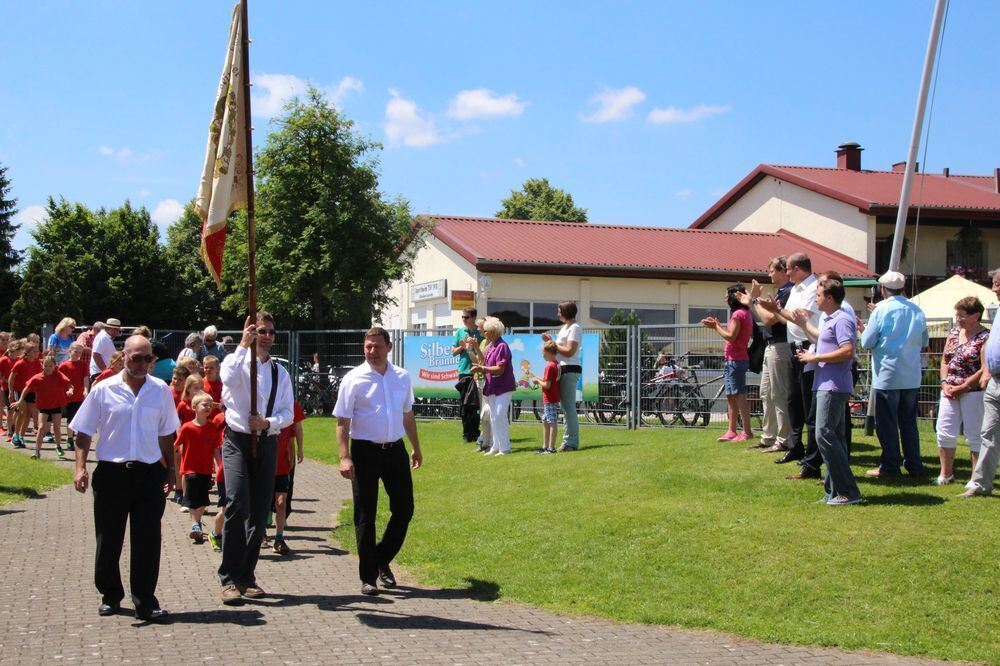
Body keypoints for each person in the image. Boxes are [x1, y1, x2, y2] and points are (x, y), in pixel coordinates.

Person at [70, 334, 179, 622]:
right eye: (137, 358)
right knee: (109, 538)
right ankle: (110, 594)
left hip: (148, 473)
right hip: (112, 473)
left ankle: (145, 600)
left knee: (147, 539)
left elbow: (167, 434)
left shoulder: (161, 391)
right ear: (123, 356)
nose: (143, 363)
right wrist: (80, 468)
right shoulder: (103, 390)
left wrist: (171, 471)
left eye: (148, 358)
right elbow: (82, 432)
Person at [334, 327, 422, 596]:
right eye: (368, 347)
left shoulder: (402, 377)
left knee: (404, 509)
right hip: (364, 452)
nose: (372, 351)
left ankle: (381, 557)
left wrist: (416, 448)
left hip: (395, 449)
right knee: (365, 514)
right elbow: (342, 420)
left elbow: (407, 414)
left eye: (377, 346)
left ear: (389, 347)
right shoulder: (353, 379)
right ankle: (368, 577)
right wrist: (344, 456)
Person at [218, 312, 294, 605]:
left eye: (271, 332)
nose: (267, 336)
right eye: (261, 330)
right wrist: (241, 345)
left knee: (261, 510)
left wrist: (268, 423)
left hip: (267, 441)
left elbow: (288, 412)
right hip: (236, 440)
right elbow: (227, 380)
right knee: (238, 503)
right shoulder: (235, 362)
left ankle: (246, 575)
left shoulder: (280, 373)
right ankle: (228, 577)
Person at [791, 278, 863, 505]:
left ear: (830, 298)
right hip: (826, 385)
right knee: (833, 437)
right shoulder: (831, 318)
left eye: (819, 296)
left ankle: (848, 492)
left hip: (833, 387)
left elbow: (848, 351)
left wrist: (816, 357)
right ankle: (833, 491)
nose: (816, 299)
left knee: (824, 434)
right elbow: (825, 341)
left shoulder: (842, 319)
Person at [859, 270, 929, 478]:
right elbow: (924, 342)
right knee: (908, 422)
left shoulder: (880, 310)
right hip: (911, 374)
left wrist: (864, 328)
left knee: (887, 423)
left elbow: (867, 342)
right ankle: (914, 464)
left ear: (883, 289)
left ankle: (890, 464)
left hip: (887, 375)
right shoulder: (917, 310)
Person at [934, 297, 988, 486]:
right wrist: (944, 383)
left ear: (976, 316)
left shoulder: (985, 337)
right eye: (956, 315)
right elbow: (945, 360)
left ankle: (976, 477)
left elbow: (984, 367)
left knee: (974, 434)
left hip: (973, 392)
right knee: (944, 431)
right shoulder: (954, 333)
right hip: (949, 390)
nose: (958, 319)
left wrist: (964, 387)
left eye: (962, 315)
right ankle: (945, 474)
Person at [744, 257, 793, 453]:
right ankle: (768, 436)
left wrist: (753, 301)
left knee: (779, 394)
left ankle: (784, 439)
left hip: (780, 347)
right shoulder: (781, 292)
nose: (769, 274)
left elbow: (770, 320)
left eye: (772, 270)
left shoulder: (788, 292)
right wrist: (755, 302)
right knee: (766, 393)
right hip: (770, 347)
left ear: (782, 271)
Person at [962, 268, 1000, 498]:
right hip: (994, 382)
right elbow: (988, 346)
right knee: (988, 433)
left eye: (997, 284)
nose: (994, 289)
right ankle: (981, 484)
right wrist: (986, 370)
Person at [703, 284, 754, 442]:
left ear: (734, 296)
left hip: (736, 359)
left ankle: (746, 432)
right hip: (735, 359)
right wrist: (719, 326)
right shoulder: (744, 313)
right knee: (731, 395)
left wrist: (716, 327)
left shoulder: (739, 314)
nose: (725, 298)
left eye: (727, 295)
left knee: (739, 395)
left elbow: (731, 336)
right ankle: (732, 430)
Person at [173, 391, 220, 544]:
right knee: (193, 499)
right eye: (204, 405)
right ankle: (195, 524)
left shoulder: (212, 428)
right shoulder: (187, 427)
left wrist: (219, 466)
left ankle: (197, 522)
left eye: (210, 405)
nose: (208, 407)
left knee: (203, 500)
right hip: (190, 469)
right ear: (194, 407)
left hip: (206, 469)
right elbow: (177, 444)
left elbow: (215, 449)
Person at [11, 354, 74, 459]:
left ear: (55, 366)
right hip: (43, 407)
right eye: (46, 365)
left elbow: (69, 385)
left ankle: (58, 446)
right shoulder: (37, 377)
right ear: (42, 365)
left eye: (50, 366)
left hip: (56, 406)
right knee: (40, 428)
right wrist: (20, 401)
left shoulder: (58, 375)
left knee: (57, 428)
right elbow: (26, 389)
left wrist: (70, 390)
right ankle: (37, 452)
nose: (48, 368)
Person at [542, 301, 582, 451]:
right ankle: (568, 441)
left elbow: (570, 351)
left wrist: (551, 342)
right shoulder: (565, 328)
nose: (558, 314)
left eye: (559, 311)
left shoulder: (575, 328)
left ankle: (571, 442)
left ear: (566, 312)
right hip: (563, 368)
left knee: (568, 407)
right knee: (565, 407)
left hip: (570, 369)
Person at [473, 316, 515, 456]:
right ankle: (495, 447)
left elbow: (500, 369)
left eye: (485, 331)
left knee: (499, 415)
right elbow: (486, 362)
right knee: (493, 417)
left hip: (503, 386)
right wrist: (481, 366)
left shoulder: (502, 346)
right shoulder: (491, 345)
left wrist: (482, 369)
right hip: (492, 386)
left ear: (493, 332)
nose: (483, 333)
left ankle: (505, 448)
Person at [271, 400, 305, 555]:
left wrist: (295, 454)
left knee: (281, 502)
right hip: (265, 467)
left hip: (283, 466)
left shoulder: (290, 408)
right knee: (263, 502)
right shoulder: (263, 406)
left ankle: (279, 538)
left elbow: (293, 434)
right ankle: (260, 534)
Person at [452, 307, 483, 445]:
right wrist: (462, 347)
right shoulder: (459, 332)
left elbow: (483, 354)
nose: (463, 320)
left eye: (466, 317)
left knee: (475, 405)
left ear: (473, 318)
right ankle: (466, 434)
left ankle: (476, 433)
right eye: (462, 317)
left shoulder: (480, 332)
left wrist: (473, 346)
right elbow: (453, 352)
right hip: (463, 372)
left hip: (476, 372)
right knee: (464, 405)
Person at [8, 343, 42, 449]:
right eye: (35, 351)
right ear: (28, 352)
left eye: (37, 351)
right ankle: (15, 435)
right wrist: (10, 392)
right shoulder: (20, 363)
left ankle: (21, 436)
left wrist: (38, 393)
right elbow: (11, 378)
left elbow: (38, 378)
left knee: (28, 414)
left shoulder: (37, 363)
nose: (37, 353)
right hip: (19, 390)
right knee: (22, 413)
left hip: (31, 391)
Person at [59, 342, 89, 453]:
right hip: (68, 397)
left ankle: (75, 438)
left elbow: (85, 378)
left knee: (78, 418)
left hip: (79, 396)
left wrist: (86, 389)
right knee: (70, 418)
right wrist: (65, 391)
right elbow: (61, 381)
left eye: (80, 352)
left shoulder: (83, 365)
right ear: (69, 351)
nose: (78, 354)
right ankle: (70, 438)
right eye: (76, 352)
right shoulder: (64, 365)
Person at [533, 340, 561, 454]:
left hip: (549, 398)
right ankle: (545, 446)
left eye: (543, 352)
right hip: (552, 397)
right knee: (545, 420)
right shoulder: (556, 364)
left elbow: (547, 385)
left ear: (549, 352)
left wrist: (539, 382)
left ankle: (551, 448)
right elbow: (549, 381)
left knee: (551, 422)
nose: (542, 355)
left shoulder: (549, 366)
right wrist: (538, 379)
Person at [0, 337, 24, 441]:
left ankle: (14, 428)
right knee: (10, 410)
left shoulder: (20, 360)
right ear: (15, 350)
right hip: (7, 388)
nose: (22, 353)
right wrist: (5, 380)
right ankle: (10, 431)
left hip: (18, 389)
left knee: (18, 410)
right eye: (20, 350)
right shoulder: (4, 360)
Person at [88, 318, 121, 384]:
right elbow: (96, 355)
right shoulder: (102, 337)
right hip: (99, 374)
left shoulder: (105, 337)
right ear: (112, 329)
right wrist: (105, 371)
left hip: (102, 374)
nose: (118, 332)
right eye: (117, 330)